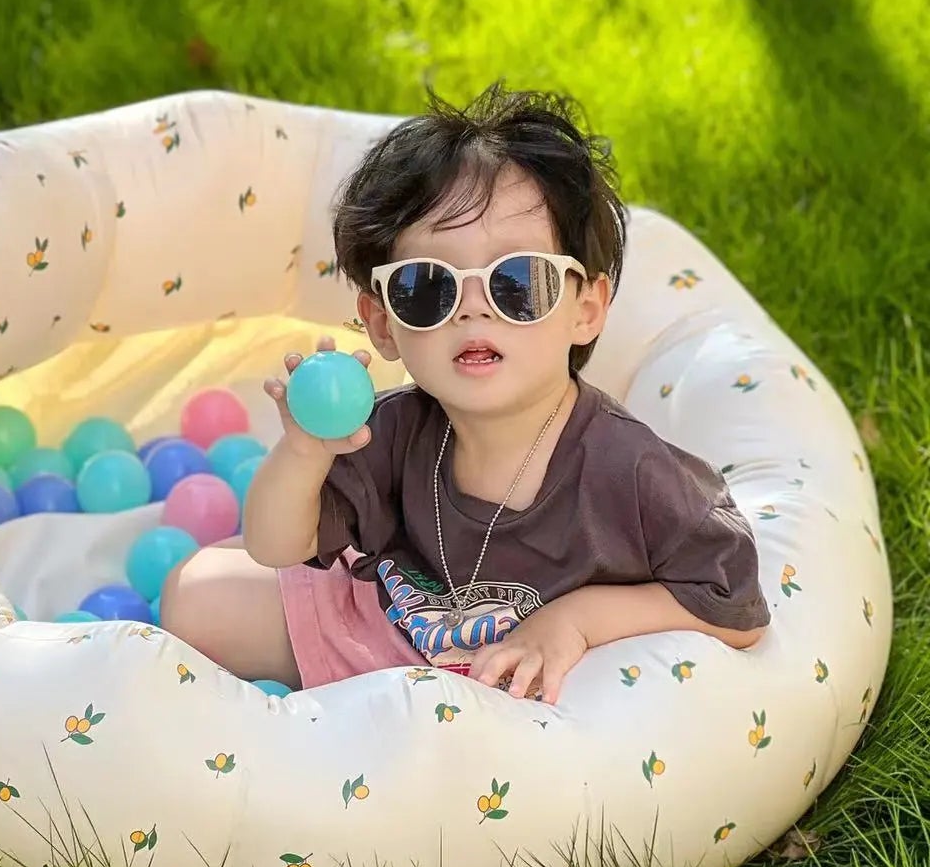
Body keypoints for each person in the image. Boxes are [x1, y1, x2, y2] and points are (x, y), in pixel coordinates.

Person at [159, 82, 771, 703]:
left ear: (586, 310)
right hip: (386, 639)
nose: (473, 309)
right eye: (427, 287)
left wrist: (577, 620)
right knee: (195, 593)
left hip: (532, 670)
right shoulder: (391, 429)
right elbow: (274, 546)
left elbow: (734, 603)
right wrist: (304, 453)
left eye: (517, 282)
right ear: (382, 325)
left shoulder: (630, 469)